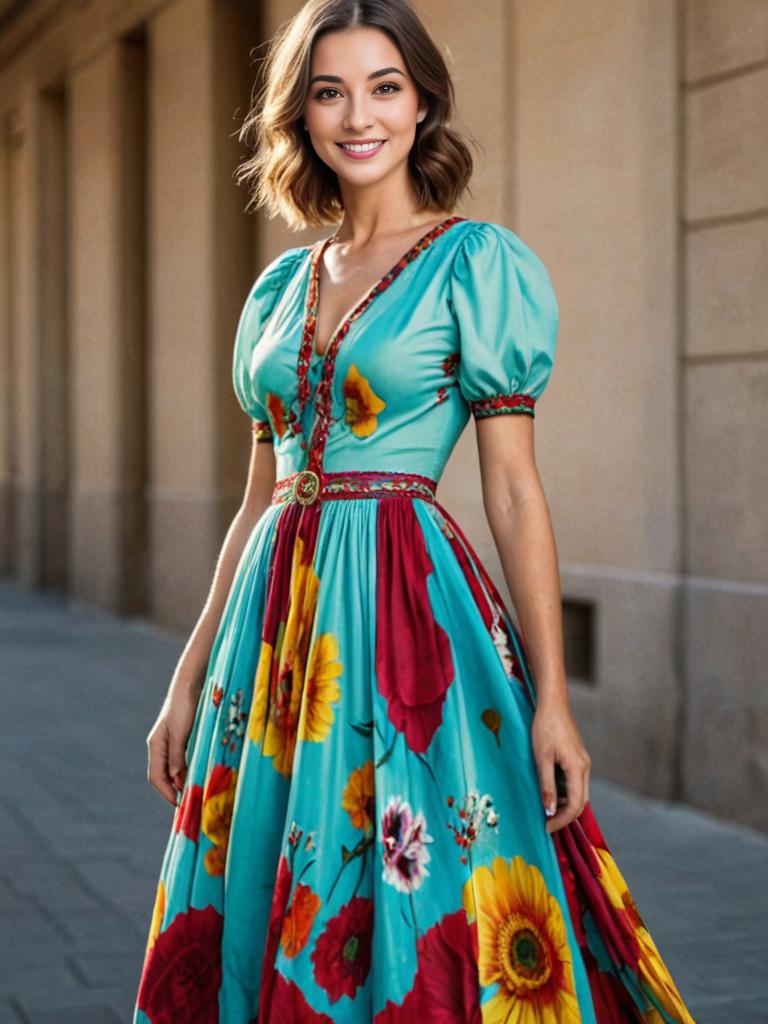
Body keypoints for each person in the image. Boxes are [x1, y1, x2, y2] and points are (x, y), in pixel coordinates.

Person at [133, 2, 697, 1021]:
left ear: (423, 100)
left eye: (384, 86)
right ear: (299, 113)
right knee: (274, 880)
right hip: (272, 637)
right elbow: (259, 499)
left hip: (406, 619)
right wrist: (187, 679)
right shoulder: (274, 293)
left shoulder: (478, 264)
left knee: (411, 880)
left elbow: (515, 490)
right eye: (329, 89)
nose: (360, 115)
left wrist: (556, 700)